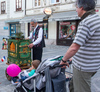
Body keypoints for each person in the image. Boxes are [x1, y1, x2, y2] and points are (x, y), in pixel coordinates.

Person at [60, 0, 100, 92]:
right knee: (73, 86)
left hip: (83, 66)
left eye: (76, 7)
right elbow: (91, 43)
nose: (76, 10)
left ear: (82, 8)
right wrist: (73, 58)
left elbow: (74, 47)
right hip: (92, 65)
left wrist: (63, 60)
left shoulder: (86, 22)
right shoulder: (97, 19)